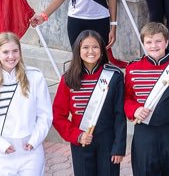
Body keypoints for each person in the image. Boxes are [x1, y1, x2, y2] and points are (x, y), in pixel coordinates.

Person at [123, 22, 169, 176]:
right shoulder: (132, 68)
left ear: (167, 42)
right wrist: (134, 109)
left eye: (158, 41)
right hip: (144, 136)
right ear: (143, 43)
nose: (153, 46)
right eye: (148, 42)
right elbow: (126, 98)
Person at [0, 32, 52, 176]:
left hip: (30, 151)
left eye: (15, 51)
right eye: (5, 52)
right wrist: (1, 145)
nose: (11, 56)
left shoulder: (35, 77)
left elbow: (45, 115)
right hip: (1, 154)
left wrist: (34, 140)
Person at [53, 30, 126, 176]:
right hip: (81, 141)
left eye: (95, 47)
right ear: (78, 50)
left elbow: (120, 114)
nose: (90, 51)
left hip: (108, 142)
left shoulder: (115, 76)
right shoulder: (68, 79)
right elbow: (57, 116)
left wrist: (119, 146)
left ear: (102, 49)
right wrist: (77, 135)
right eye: (85, 47)